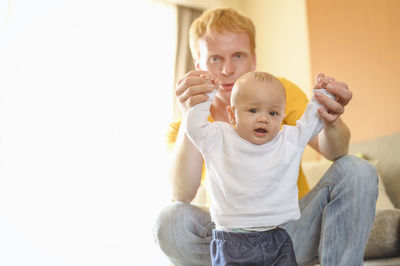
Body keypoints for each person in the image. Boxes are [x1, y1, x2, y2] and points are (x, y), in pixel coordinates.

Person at [153, 7, 378, 266]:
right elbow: (182, 194)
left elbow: (336, 153)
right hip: (228, 242)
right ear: (198, 65)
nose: (227, 69)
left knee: (356, 169)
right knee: (168, 219)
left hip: (290, 234)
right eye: (215, 58)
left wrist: (330, 118)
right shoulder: (188, 124)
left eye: (238, 55)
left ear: (253, 60)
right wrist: (191, 113)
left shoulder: (279, 93)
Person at [185, 71, 332, 265]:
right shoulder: (219, 138)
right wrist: (206, 97)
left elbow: (311, 124)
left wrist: (323, 95)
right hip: (232, 242)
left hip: (277, 237)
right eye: (253, 110)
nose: (263, 118)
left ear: (282, 117)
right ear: (231, 114)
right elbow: (194, 128)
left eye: (273, 113)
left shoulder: (288, 141)